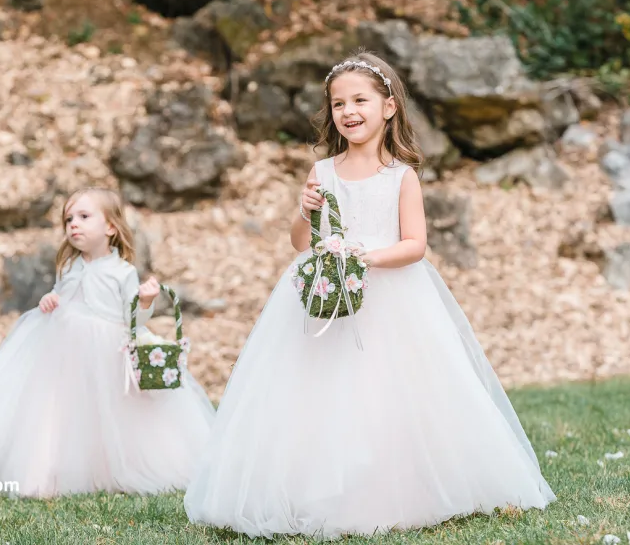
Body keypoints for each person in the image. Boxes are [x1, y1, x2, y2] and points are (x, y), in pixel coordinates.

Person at [183, 52, 556, 538]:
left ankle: (396, 488)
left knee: (389, 393)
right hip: (327, 295)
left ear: (388, 107)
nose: (348, 111)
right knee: (318, 392)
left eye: (360, 99)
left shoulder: (401, 176)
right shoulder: (323, 170)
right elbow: (301, 242)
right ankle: (311, 486)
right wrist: (305, 209)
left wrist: (365, 259)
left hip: (391, 298)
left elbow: (414, 245)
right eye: (339, 103)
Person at [0, 187, 215, 498]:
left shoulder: (122, 272)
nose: (73, 225)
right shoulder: (68, 267)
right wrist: (50, 299)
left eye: (83, 217)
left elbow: (132, 320)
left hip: (107, 351)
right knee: (56, 409)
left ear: (110, 227)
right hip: (63, 349)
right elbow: (61, 295)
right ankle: (43, 473)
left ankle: (111, 469)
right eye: (68, 219)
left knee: (109, 412)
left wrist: (146, 301)